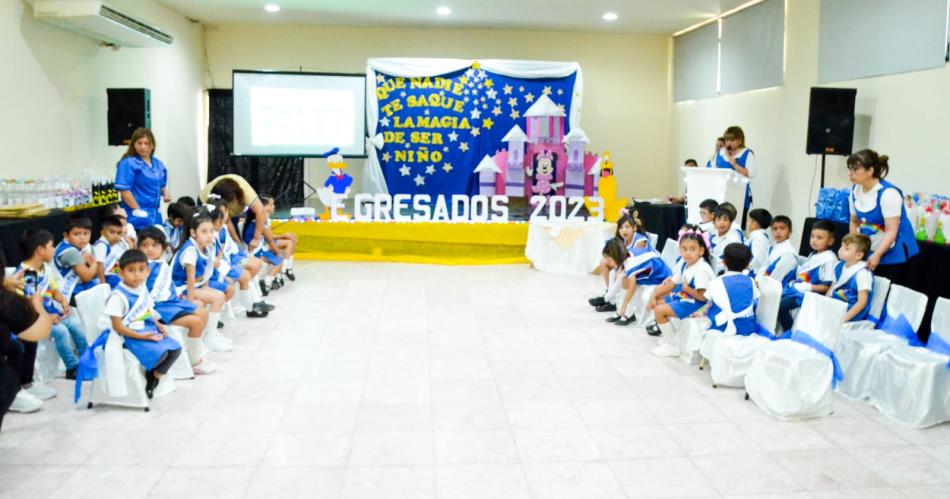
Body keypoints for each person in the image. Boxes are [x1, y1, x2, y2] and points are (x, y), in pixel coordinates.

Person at [103, 250, 182, 399]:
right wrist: (143, 337)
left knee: (176, 349)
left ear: (147, 271)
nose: (137, 275)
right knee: (162, 353)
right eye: (131, 270)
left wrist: (158, 324)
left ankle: (154, 376)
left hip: (145, 329)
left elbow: (145, 311)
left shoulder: (142, 289)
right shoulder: (117, 297)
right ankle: (150, 375)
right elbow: (117, 327)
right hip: (127, 337)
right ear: (121, 273)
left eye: (141, 270)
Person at [138, 228, 216, 375]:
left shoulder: (161, 262)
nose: (149, 249)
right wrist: (152, 316)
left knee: (203, 313)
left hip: (171, 302)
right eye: (145, 245)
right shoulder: (141, 267)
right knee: (195, 322)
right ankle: (194, 362)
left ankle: (194, 350)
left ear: (163, 247)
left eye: (154, 245)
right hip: (158, 307)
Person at [18, 229, 89, 381]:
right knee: (61, 331)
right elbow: (30, 305)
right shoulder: (28, 274)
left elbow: (54, 291)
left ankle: (86, 360)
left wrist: (63, 301)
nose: (54, 249)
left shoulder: (46, 268)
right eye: (51, 246)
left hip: (50, 313)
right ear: (40, 250)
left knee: (75, 324)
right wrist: (48, 318)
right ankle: (72, 367)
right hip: (33, 320)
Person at [846, 149, 919, 283]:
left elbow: (891, 230)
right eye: (849, 169)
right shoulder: (855, 190)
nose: (850, 174)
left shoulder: (888, 194)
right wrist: (855, 247)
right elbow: (854, 220)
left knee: (887, 289)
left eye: (855, 169)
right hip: (873, 246)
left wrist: (877, 254)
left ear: (870, 171)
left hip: (895, 252)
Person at [646, 226, 716, 357]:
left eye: (692, 249)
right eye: (684, 249)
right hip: (688, 298)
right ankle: (672, 339)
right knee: (659, 302)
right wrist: (653, 296)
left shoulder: (702, 269)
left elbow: (703, 298)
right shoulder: (686, 264)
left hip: (701, 306)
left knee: (660, 311)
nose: (688, 253)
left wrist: (687, 289)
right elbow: (672, 283)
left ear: (701, 251)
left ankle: (673, 346)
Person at [0, 254, 54, 421]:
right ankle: (14, 391)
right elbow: (39, 332)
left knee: (16, 347)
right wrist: (36, 305)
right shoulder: (6, 301)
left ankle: (25, 383)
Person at [171, 211, 233, 352]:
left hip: (194, 286)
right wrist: (189, 301)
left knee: (219, 295)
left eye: (211, 231)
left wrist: (206, 288)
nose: (209, 235)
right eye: (204, 232)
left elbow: (205, 273)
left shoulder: (205, 246)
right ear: (193, 233)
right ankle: (209, 339)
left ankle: (212, 335)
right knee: (217, 298)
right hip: (180, 289)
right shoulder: (190, 250)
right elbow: (190, 278)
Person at [777, 220, 839, 332]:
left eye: (819, 238)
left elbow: (827, 287)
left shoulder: (829, 259)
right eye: (812, 236)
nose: (814, 240)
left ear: (830, 241)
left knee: (780, 305)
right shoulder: (813, 254)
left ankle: (789, 331)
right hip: (799, 291)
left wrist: (808, 287)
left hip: (811, 295)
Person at [603, 239, 672, 326]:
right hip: (653, 273)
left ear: (615, 255)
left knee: (626, 280)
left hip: (661, 279)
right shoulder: (628, 254)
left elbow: (632, 287)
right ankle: (622, 311)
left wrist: (624, 305)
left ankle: (625, 311)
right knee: (624, 278)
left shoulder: (631, 263)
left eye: (609, 260)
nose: (609, 263)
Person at [589, 212, 649, 311]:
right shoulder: (624, 240)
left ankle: (610, 299)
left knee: (617, 273)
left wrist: (620, 269)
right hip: (631, 265)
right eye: (621, 228)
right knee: (604, 263)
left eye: (627, 227)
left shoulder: (640, 241)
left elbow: (636, 262)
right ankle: (609, 294)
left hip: (642, 268)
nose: (624, 230)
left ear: (634, 228)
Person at [115, 127, 171, 230]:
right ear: (134, 145)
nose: (143, 146)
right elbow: (124, 191)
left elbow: (162, 185)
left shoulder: (158, 164)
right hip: (135, 216)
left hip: (155, 215)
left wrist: (165, 194)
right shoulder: (128, 163)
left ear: (152, 145)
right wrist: (137, 209)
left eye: (146, 143)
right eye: (139, 143)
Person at [823, 233, 874, 322]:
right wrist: (823, 303)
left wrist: (843, 319)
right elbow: (832, 288)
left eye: (846, 248)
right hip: (836, 304)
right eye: (842, 246)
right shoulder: (839, 266)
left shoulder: (863, 273)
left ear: (858, 255)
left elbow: (862, 302)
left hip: (850, 312)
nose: (841, 250)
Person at [712, 126, 755, 227]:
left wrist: (734, 164)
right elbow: (713, 170)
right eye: (727, 140)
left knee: (737, 225)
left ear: (739, 140)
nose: (728, 143)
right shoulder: (721, 153)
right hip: (719, 194)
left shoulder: (747, 153)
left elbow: (751, 174)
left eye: (732, 140)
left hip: (739, 195)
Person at [54, 214, 99, 304]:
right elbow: (87, 277)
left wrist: (92, 268)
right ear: (66, 236)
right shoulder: (70, 252)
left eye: (86, 233)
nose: (82, 238)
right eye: (76, 234)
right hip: (66, 292)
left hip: (81, 286)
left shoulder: (87, 247)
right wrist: (94, 264)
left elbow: (95, 275)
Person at [261, 195, 298, 281]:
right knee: (289, 242)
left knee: (293, 238)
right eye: (271, 204)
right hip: (264, 244)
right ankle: (284, 270)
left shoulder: (266, 216)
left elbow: (269, 234)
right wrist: (283, 235)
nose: (274, 206)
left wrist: (284, 235)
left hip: (268, 240)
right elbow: (268, 237)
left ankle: (288, 268)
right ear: (264, 206)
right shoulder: (262, 218)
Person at [760, 215, 798, 288]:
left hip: (778, 289)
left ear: (790, 232)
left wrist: (760, 284)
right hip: (764, 282)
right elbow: (764, 266)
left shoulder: (789, 253)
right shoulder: (772, 247)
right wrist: (758, 280)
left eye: (782, 228)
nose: (778, 232)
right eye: (775, 229)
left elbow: (776, 278)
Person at [92, 216, 129, 289]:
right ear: (102, 232)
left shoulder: (117, 244)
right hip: (102, 277)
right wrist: (103, 283)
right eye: (112, 232)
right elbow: (99, 264)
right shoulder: (101, 245)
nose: (116, 236)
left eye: (119, 233)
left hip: (113, 275)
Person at [709, 206, 743, 275]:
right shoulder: (713, 236)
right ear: (714, 222)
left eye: (725, 220)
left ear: (731, 223)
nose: (722, 223)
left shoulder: (734, 240)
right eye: (719, 219)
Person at [745, 208, 772, 276]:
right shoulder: (759, 236)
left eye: (748, 221)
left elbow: (757, 261)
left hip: (753, 274)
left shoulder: (758, 238)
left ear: (755, 223)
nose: (747, 224)